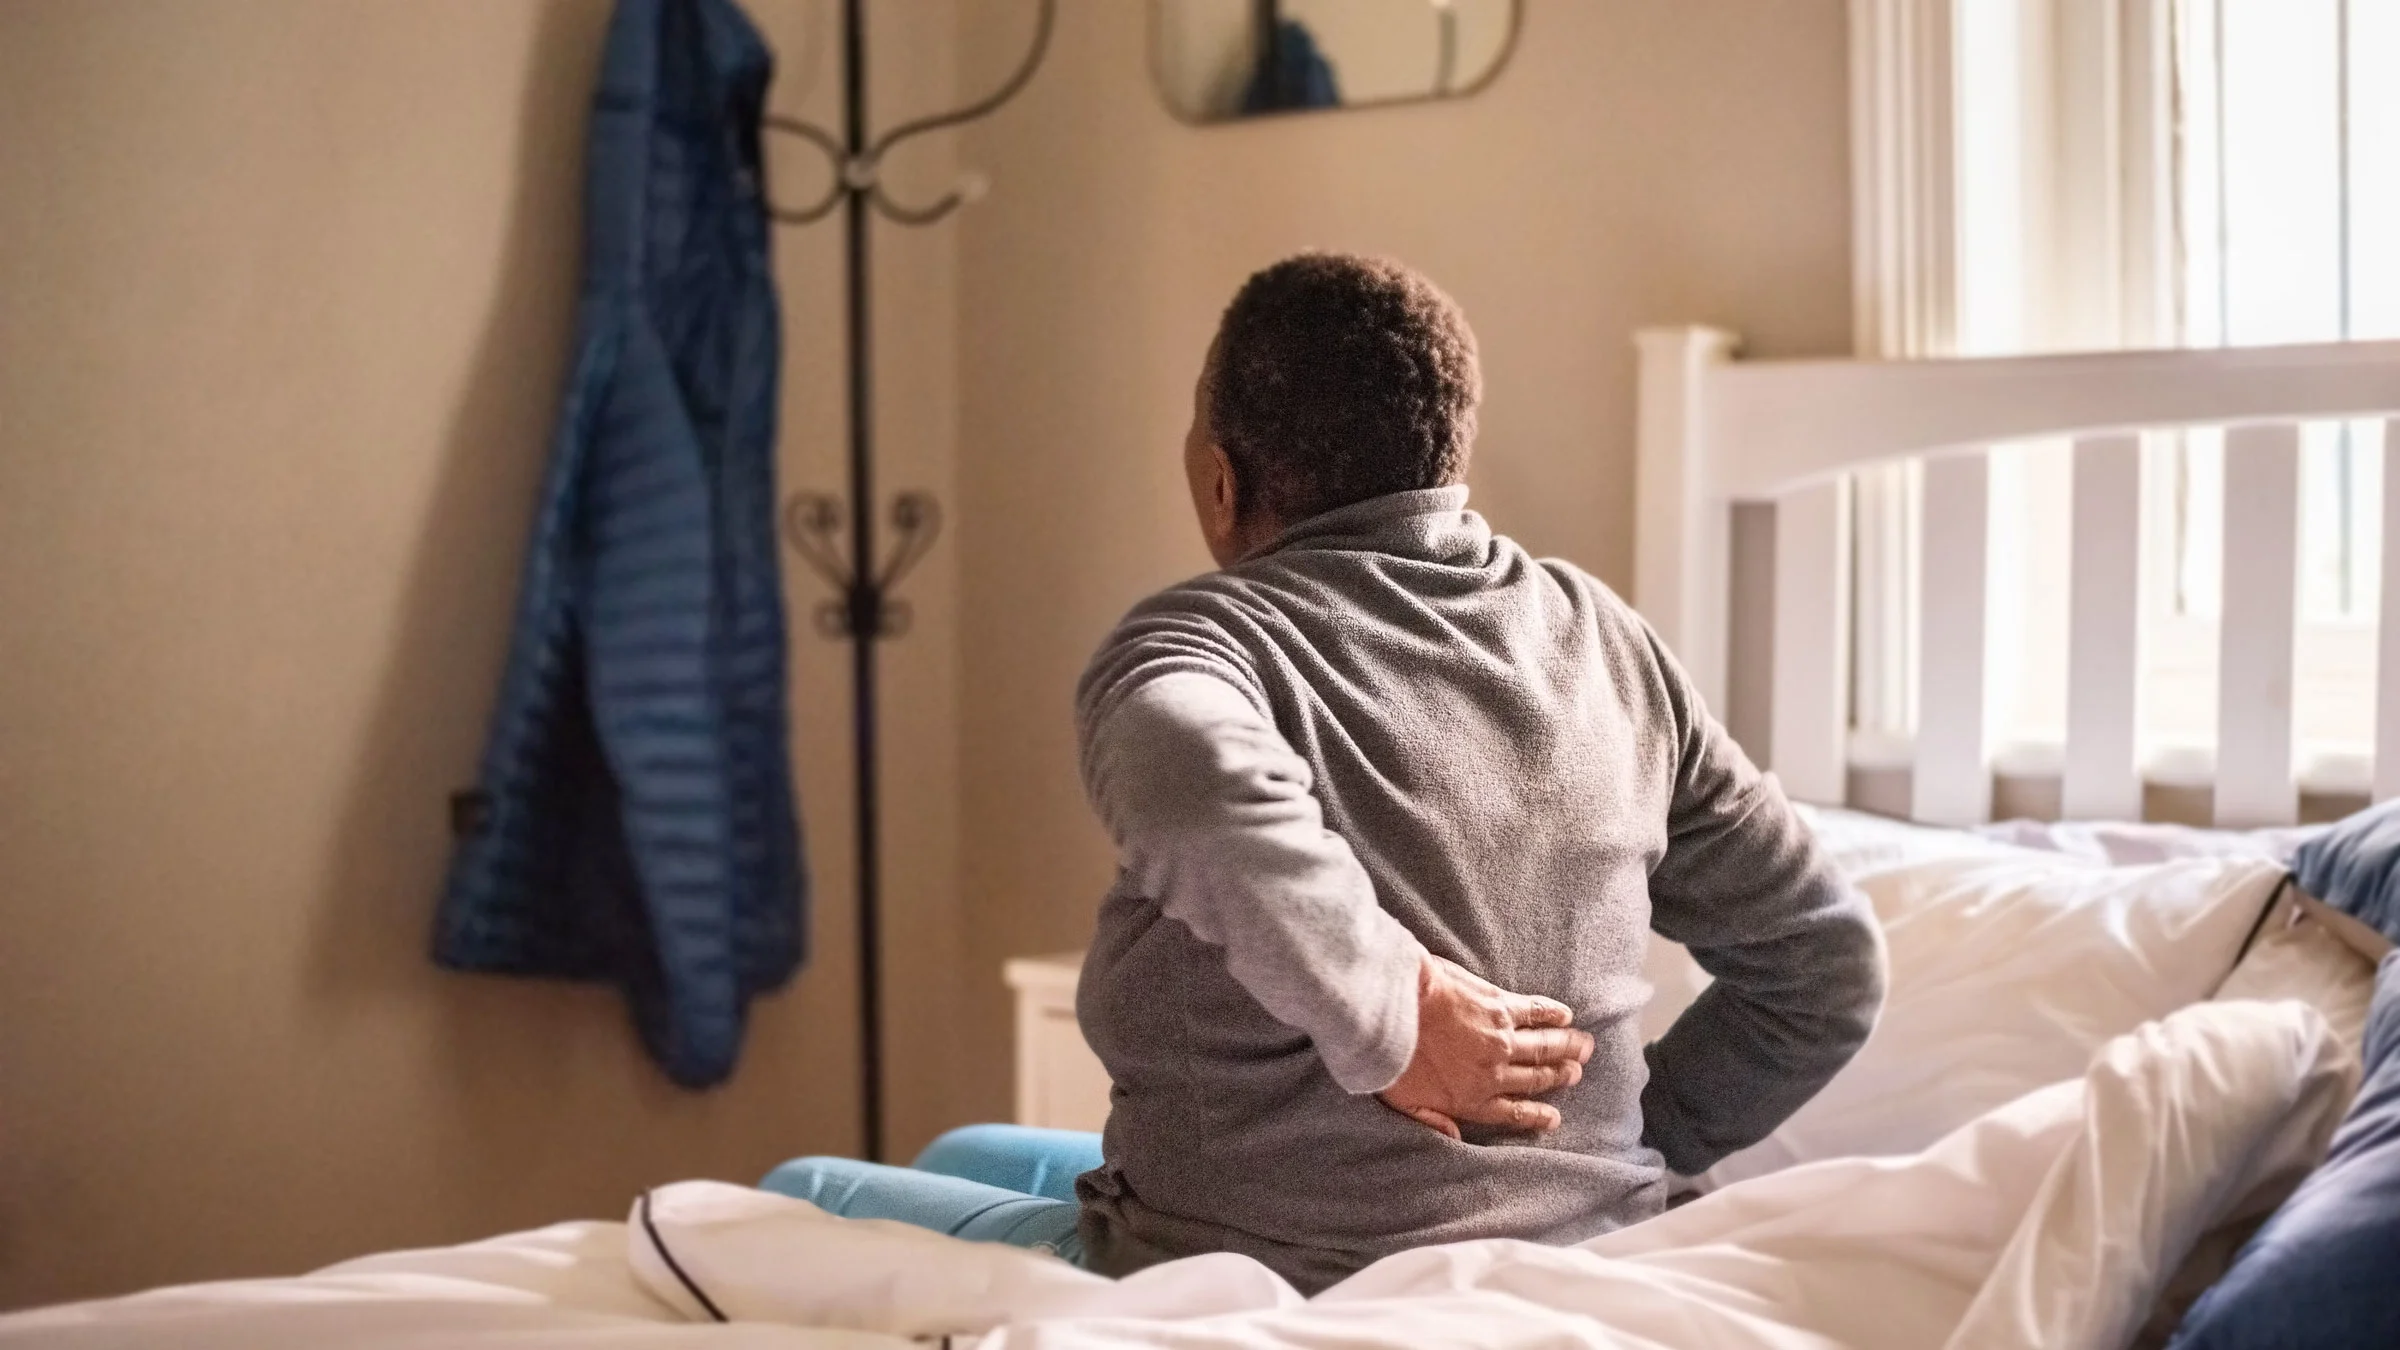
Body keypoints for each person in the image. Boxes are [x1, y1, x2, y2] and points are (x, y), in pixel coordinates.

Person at [761, 253, 1885, 1295]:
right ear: (1445, 455)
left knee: (795, 1196)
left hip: (1258, 1272)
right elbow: (1826, 963)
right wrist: (1622, 1153)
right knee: (968, 1150)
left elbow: (1185, 773)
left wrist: (1396, 1015)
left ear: (1220, 478)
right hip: (1578, 1252)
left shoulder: (1213, 639)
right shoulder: (1605, 642)